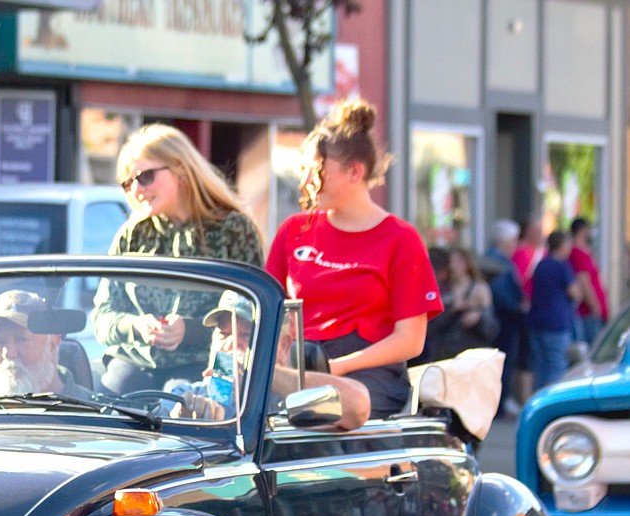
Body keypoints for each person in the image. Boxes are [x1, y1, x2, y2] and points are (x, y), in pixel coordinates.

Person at [265, 99, 442, 418]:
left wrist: (338, 366)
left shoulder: (401, 239)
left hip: (368, 374)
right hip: (299, 363)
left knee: (314, 416)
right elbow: (269, 310)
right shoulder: (293, 231)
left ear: (355, 172)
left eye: (316, 170)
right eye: (302, 170)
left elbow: (411, 341)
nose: (306, 181)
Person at [92, 123, 264, 395]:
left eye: (145, 176)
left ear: (181, 169)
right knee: (110, 402)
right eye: (128, 182)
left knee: (184, 400)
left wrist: (190, 331)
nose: (137, 190)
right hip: (134, 363)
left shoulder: (233, 229)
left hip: (211, 362)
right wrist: (136, 326)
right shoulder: (131, 234)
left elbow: (250, 318)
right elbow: (102, 317)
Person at [169, 293, 371, 430]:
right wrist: (184, 416)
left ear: (282, 347)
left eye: (247, 336)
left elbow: (358, 407)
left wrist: (257, 369)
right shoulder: (186, 394)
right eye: (223, 334)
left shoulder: (287, 403)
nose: (230, 345)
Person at [482, 219, 528, 418]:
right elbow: (500, 292)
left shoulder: (499, 259)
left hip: (505, 318)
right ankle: (499, 405)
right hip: (504, 319)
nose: (515, 246)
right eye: (512, 242)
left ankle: (499, 403)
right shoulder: (496, 261)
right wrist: (518, 306)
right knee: (502, 363)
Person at [527, 230, 582, 390]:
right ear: (562, 245)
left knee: (540, 367)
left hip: (536, 320)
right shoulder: (562, 266)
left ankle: (537, 399)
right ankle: (551, 404)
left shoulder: (541, 265)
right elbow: (574, 292)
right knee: (557, 367)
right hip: (556, 322)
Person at [426, 246, 497, 361]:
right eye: (451, 262)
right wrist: (453, 309)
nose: (454, 266)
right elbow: (432, 325)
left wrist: (479, 316)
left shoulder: (479, 289)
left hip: (472, 350)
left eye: (458, 261)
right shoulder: (442, 289)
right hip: (445, 350)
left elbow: (491, 326)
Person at [568, 217, 608, 345]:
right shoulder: (577, 252)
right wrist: (595, 307)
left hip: (593, 311)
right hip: (588, 312)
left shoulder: (585, 252)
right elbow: (583, 281)